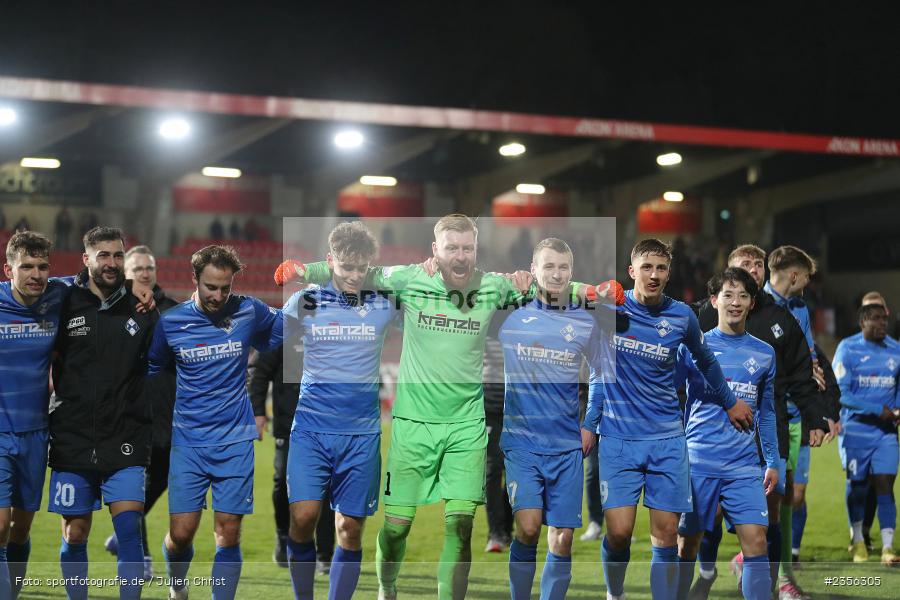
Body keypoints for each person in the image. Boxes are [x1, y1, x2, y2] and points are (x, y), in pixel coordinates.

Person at [275, 214, 620, 600]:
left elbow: (548, 282)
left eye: (467, 248)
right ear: (435, 251)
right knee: (396, 528)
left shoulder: (493, 286)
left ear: (476, 250)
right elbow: (355, 271)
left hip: (466, 426)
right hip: (411, 425)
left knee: (460, 526)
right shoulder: (406, 279)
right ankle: (386, 587)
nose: (460, 255)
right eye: (451, 247)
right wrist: (308, 270)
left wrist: (591, 290)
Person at [588, 238, 750, 600]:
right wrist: (589, 423)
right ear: (632, 272)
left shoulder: (682, 316)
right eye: (647, 267)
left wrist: (729, 402)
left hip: (666, 440)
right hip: (618, 438)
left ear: (669, 272)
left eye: (661, 268)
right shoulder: (612, 310)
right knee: (618, 533)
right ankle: (615, 594)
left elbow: (706, 360)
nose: (654, 274)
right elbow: (599, 371)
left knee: (665, 535)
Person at [148, 245, 283, 600]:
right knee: (181, 535)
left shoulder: (248, 310)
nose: (218, 295)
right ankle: (178, 587)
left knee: (229, 532)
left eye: (225, 287)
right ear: (195, 280)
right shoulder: (172, 323)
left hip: (235, 439)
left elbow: (285, 327)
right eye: (211, 287)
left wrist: (310, 287)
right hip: (189, 442)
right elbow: (153, 369)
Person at [694, 244, 825, 599]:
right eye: (743, 265)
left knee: (767, 523)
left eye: (757, 264)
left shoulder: (780, 325)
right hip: (706, 447)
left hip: (760, 444)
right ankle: (705, 571)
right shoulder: (699, 325)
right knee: (702, 528)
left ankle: (778, 583)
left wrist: (816, 416)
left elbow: (800, 373)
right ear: (720, 289)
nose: (753, 268)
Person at [280, 221, 397, 600]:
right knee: (303, 519)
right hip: (311, 430)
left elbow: (430, 316)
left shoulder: (383, 304)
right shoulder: (305, 302)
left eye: (361, 268)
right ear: (329, 261)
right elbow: (267, 339)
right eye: (346, 267)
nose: (354, 275)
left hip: (361, 436)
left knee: (349, 528)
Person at [495, 238, 615, 600]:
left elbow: (602, 374)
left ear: (571, 273)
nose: (556, 273)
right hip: (522, 442)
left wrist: (590, 423)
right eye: (548, 266)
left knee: (562, 539)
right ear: (534, 270)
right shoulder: (509, 313)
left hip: (565, 446)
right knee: (529, 529)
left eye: (563, 267)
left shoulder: (584, 321)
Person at [48, 226, 159, 600]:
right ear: (86, 259)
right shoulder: (63, 299)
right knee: (75, 532)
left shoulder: (143, 306)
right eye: (103, 256)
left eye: (117, 256)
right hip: (72, 437)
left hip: (125, 436)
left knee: (128, 529)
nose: (111, 264)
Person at [676, 268, 779, 600]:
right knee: (687, 544)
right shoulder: (694, 347)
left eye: (743, 296)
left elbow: (766, 411)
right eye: (729, 295)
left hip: (743, 466)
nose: (736, 302)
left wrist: (773, 460)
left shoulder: (764, 353)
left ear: (751, 304)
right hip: (699, 462)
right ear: (714, 300)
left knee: (757, 540)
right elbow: (667, 393)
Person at [0, 232, 68, 598]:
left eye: (43, 266)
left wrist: (138, 289)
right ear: (8, 268)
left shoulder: (58, 295)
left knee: (21, 530)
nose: (36, 274)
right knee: (0, 525)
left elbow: (102, 279)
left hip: (35, 433)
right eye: (26, 266)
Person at [103, 245, 179, 579]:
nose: (144, 273)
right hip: (129, 410)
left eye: (149, 267)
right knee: (136, 482)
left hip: (166, 410)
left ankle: (123, 531)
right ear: (126, 274)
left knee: (160, 478)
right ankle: (142, 557)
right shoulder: (113, 310)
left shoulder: (173, 311)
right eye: (137, 268)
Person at [761, 245, 832, 596]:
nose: (806, 284)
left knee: (786, 496)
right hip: (759, 416)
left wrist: (818, 407)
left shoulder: (801, 309)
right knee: (759, 500)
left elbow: (809, 355)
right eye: (804, 277)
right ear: (793, 274)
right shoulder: (755, 303)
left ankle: (782, 576)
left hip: (791, 415)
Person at [248, 345, 337, 572]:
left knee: (327, 486)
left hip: (327, 423)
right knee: (282, 484)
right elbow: (258, 374)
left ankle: (325, 553)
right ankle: (283, 534)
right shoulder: (283, 329)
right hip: (289, 427)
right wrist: (258, 412)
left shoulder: (333, 325)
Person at [834, 303, 900, 566]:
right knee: (858, 487)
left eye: (884, 319)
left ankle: (887, 547)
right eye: (876, 319)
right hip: (856, 431)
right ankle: (858, 539)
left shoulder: (896, 349)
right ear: (862, 322)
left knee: (885, 483)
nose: (882, 324)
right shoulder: (847, 349)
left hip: (886, 434)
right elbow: (842, 394)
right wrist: (877, 409)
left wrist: (896, 409)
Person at [483, 333, 513, 553]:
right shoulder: (483, 319)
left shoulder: (520, 321)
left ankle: (506, 529)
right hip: (487, 407)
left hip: (516, 407)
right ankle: (495, 532)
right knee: (492, 470)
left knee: (513, 470)